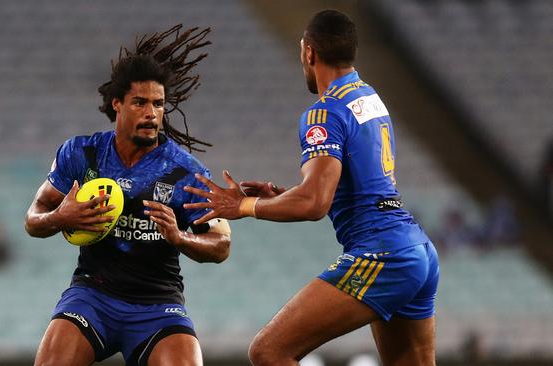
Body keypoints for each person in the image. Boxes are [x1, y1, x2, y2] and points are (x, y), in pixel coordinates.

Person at [183, 10, 439, 366]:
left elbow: (315, 203)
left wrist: (241, 206)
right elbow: (352, 186)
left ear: (309, 53)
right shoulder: (368, 97)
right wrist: (286, 193)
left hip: (382, 253)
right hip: (417, 249)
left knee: (269, 350)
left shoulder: (325, 112)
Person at [24, 25, 231, 366]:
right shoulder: (82, 153)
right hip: (93, 295)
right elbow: (33, 219)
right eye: (140, 102)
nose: (152, 113)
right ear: (117, 103)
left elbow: (221, 245)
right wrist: (62, 216)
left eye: (159, 104)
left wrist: (179, 237)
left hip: (158, 305)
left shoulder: (186, 172)